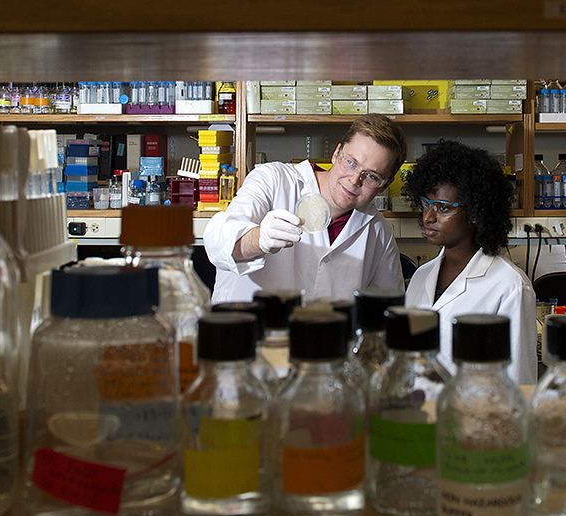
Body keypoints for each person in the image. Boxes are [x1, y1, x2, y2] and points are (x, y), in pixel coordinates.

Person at [204, 114, 408, 304]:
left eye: (371, 176)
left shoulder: (378, 231)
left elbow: (387, 305)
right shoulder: (274, 179)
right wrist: (259, 239)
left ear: (385, 185)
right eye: (351, 162)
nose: (355, 180)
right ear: (336, 154)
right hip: (247, 325)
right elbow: (217, 242)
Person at [402, 140, 537, 383]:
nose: (428, 217)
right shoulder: (421, 276)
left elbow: (519, 383)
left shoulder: (510, 286)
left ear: (475, 213)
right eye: (426, 204)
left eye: (443, 208)